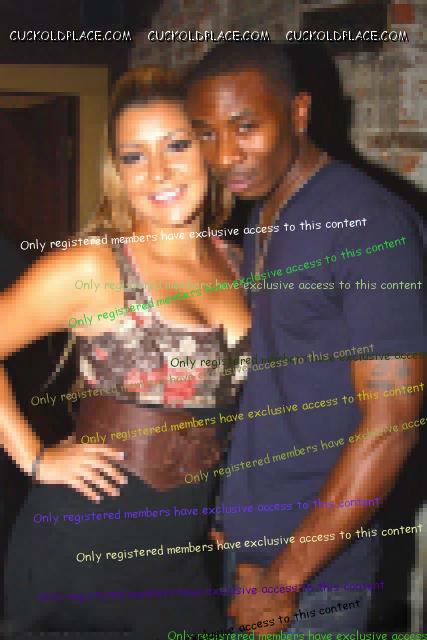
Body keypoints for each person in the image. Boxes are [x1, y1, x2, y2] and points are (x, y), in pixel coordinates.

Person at [185, 42, 425, 634]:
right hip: (250, 550)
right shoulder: (266, 213)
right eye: (207, 134)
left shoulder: (368, 222)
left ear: (298, 113)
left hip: (312, 576)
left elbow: (393, 421)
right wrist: (231, 506)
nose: (225, 155)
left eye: (246, 127)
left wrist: (285, 578)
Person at [1, 66, 250, 636]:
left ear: (208, 148)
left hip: (185, 544)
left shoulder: (236, 261)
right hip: (87, 543)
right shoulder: (94, 266)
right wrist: (34, 457)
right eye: (134, 156)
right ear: (118, 170)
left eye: (177, 145)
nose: (157, 172)